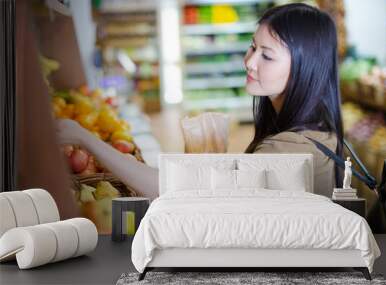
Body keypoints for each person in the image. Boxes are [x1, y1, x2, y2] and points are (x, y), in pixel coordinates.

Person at [56, 3, 343, 199]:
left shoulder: (287, 151)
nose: (250, 62)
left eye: (267, 56)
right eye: (252, 47)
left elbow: (169, 189)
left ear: (305, 68)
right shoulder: (316, 131)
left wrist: (84, 138)